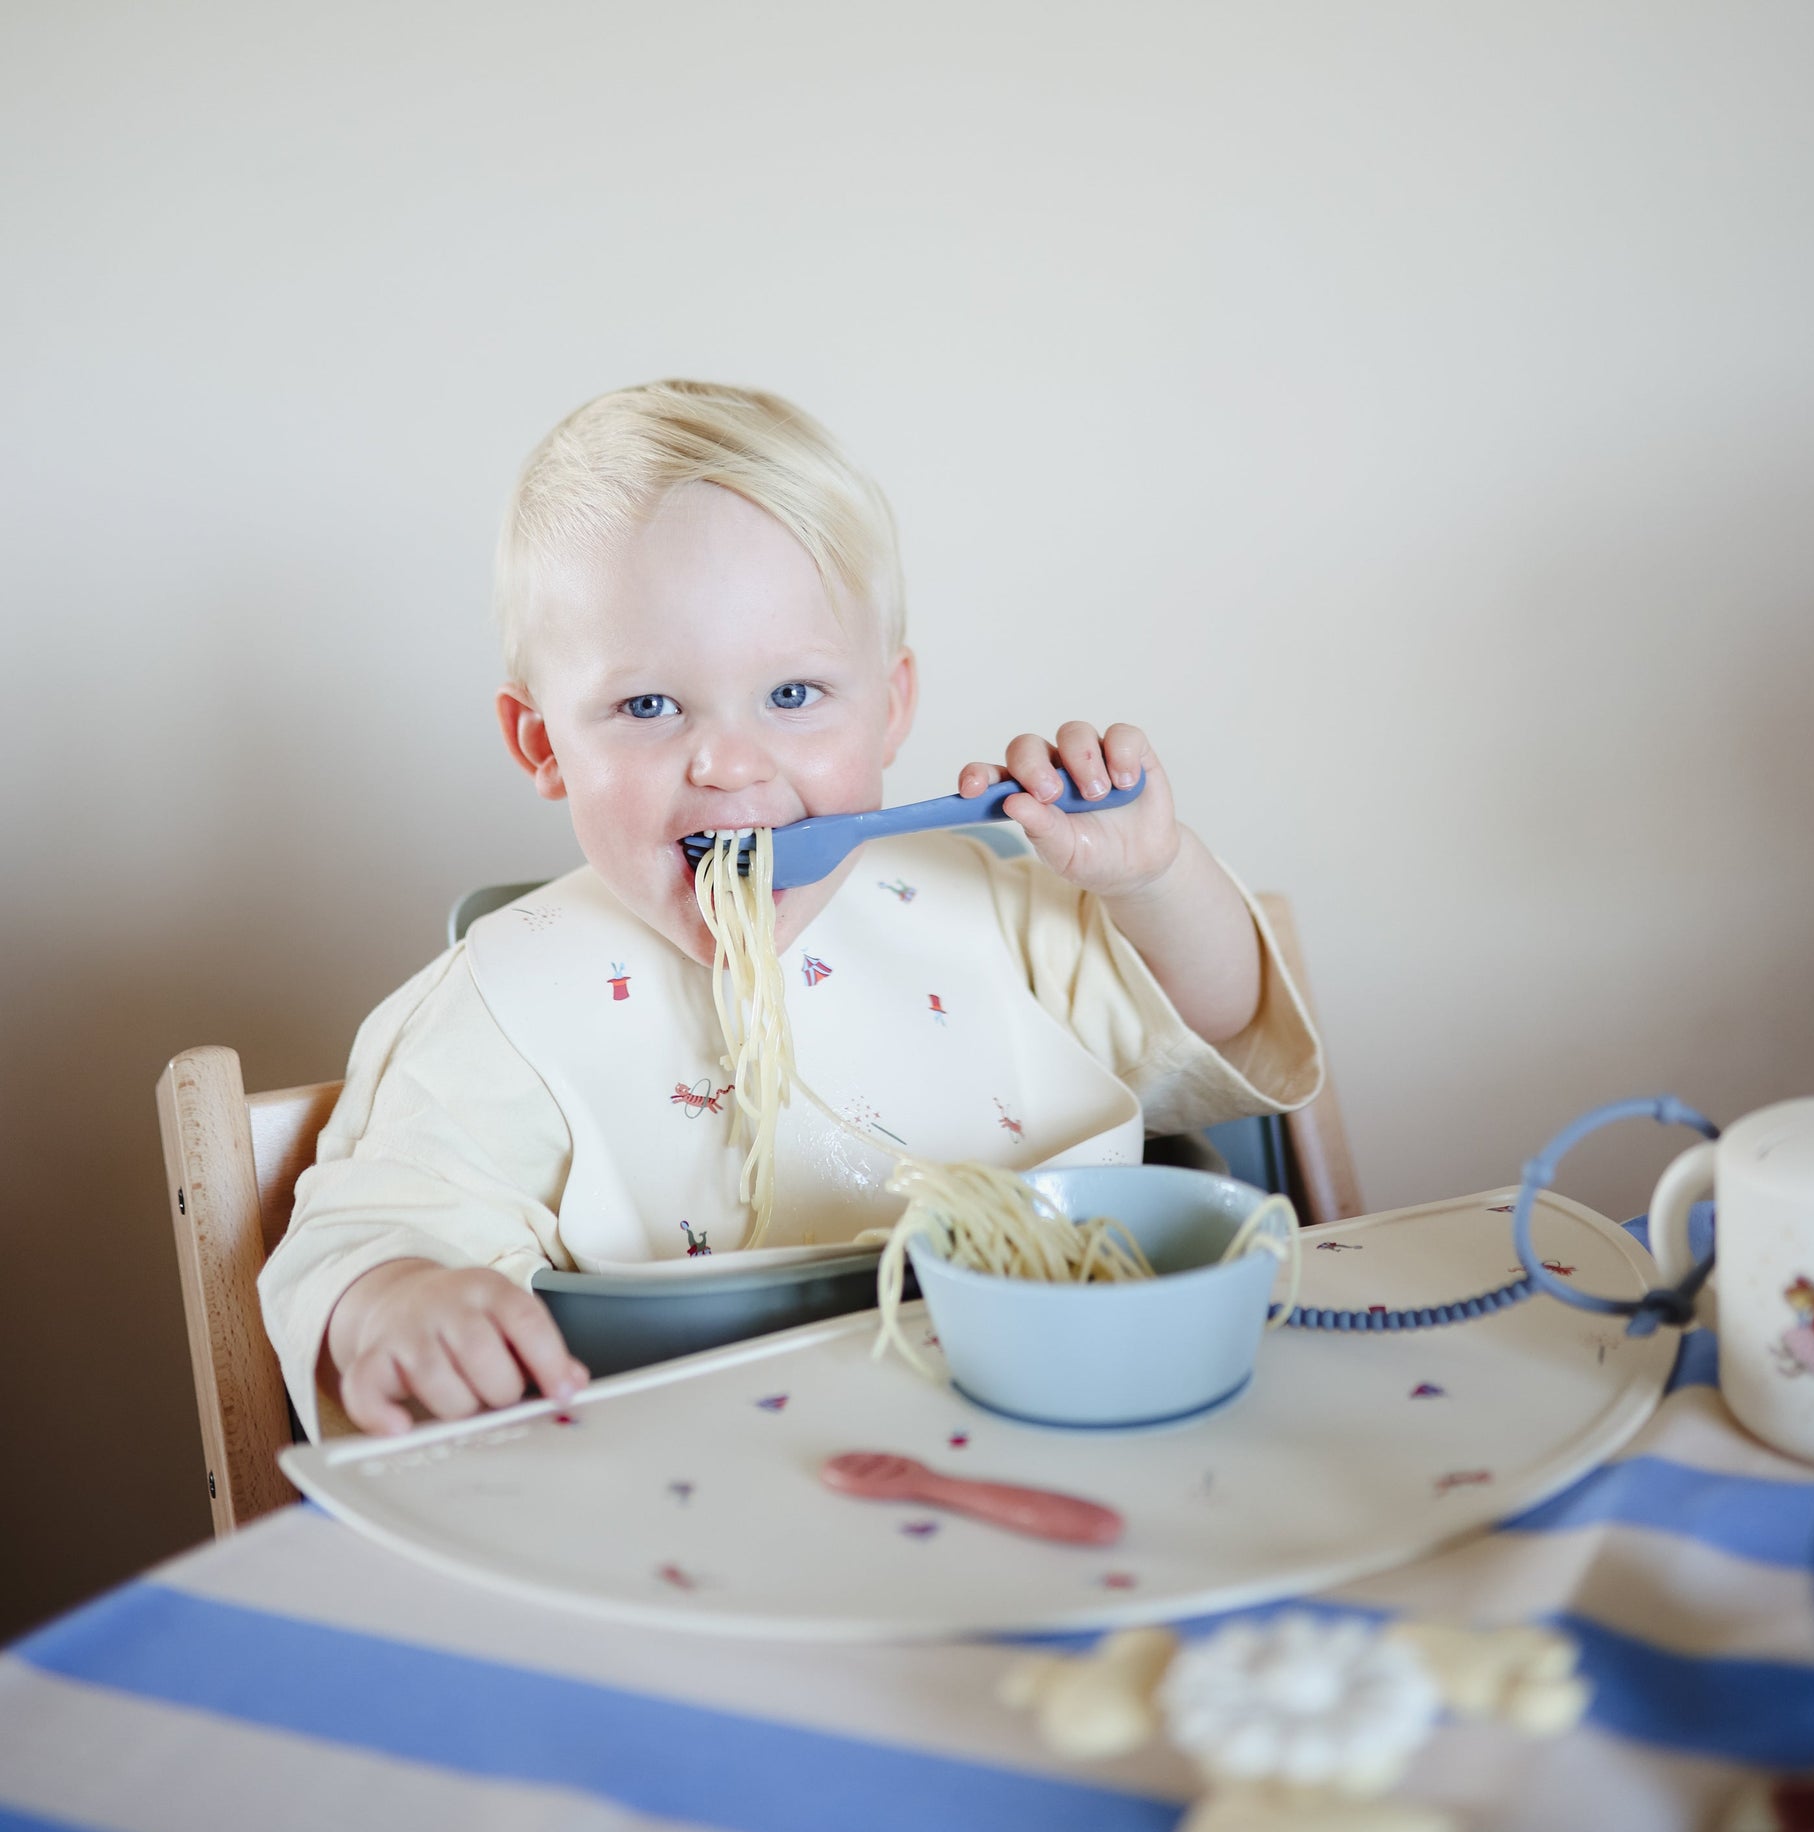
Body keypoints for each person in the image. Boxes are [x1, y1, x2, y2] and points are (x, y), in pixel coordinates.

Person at [260, 380, 1322, 1439]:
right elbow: (369, 1225)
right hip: (703, 1504)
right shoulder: (502, 1007)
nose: (728, 761)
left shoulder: (991, 916)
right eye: (646, 705)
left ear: (890, 704)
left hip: (1074, 1432)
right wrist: (394, 1299)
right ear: (542, 743)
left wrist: (1149, 877)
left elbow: (1219, 1023)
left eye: (793, 694)